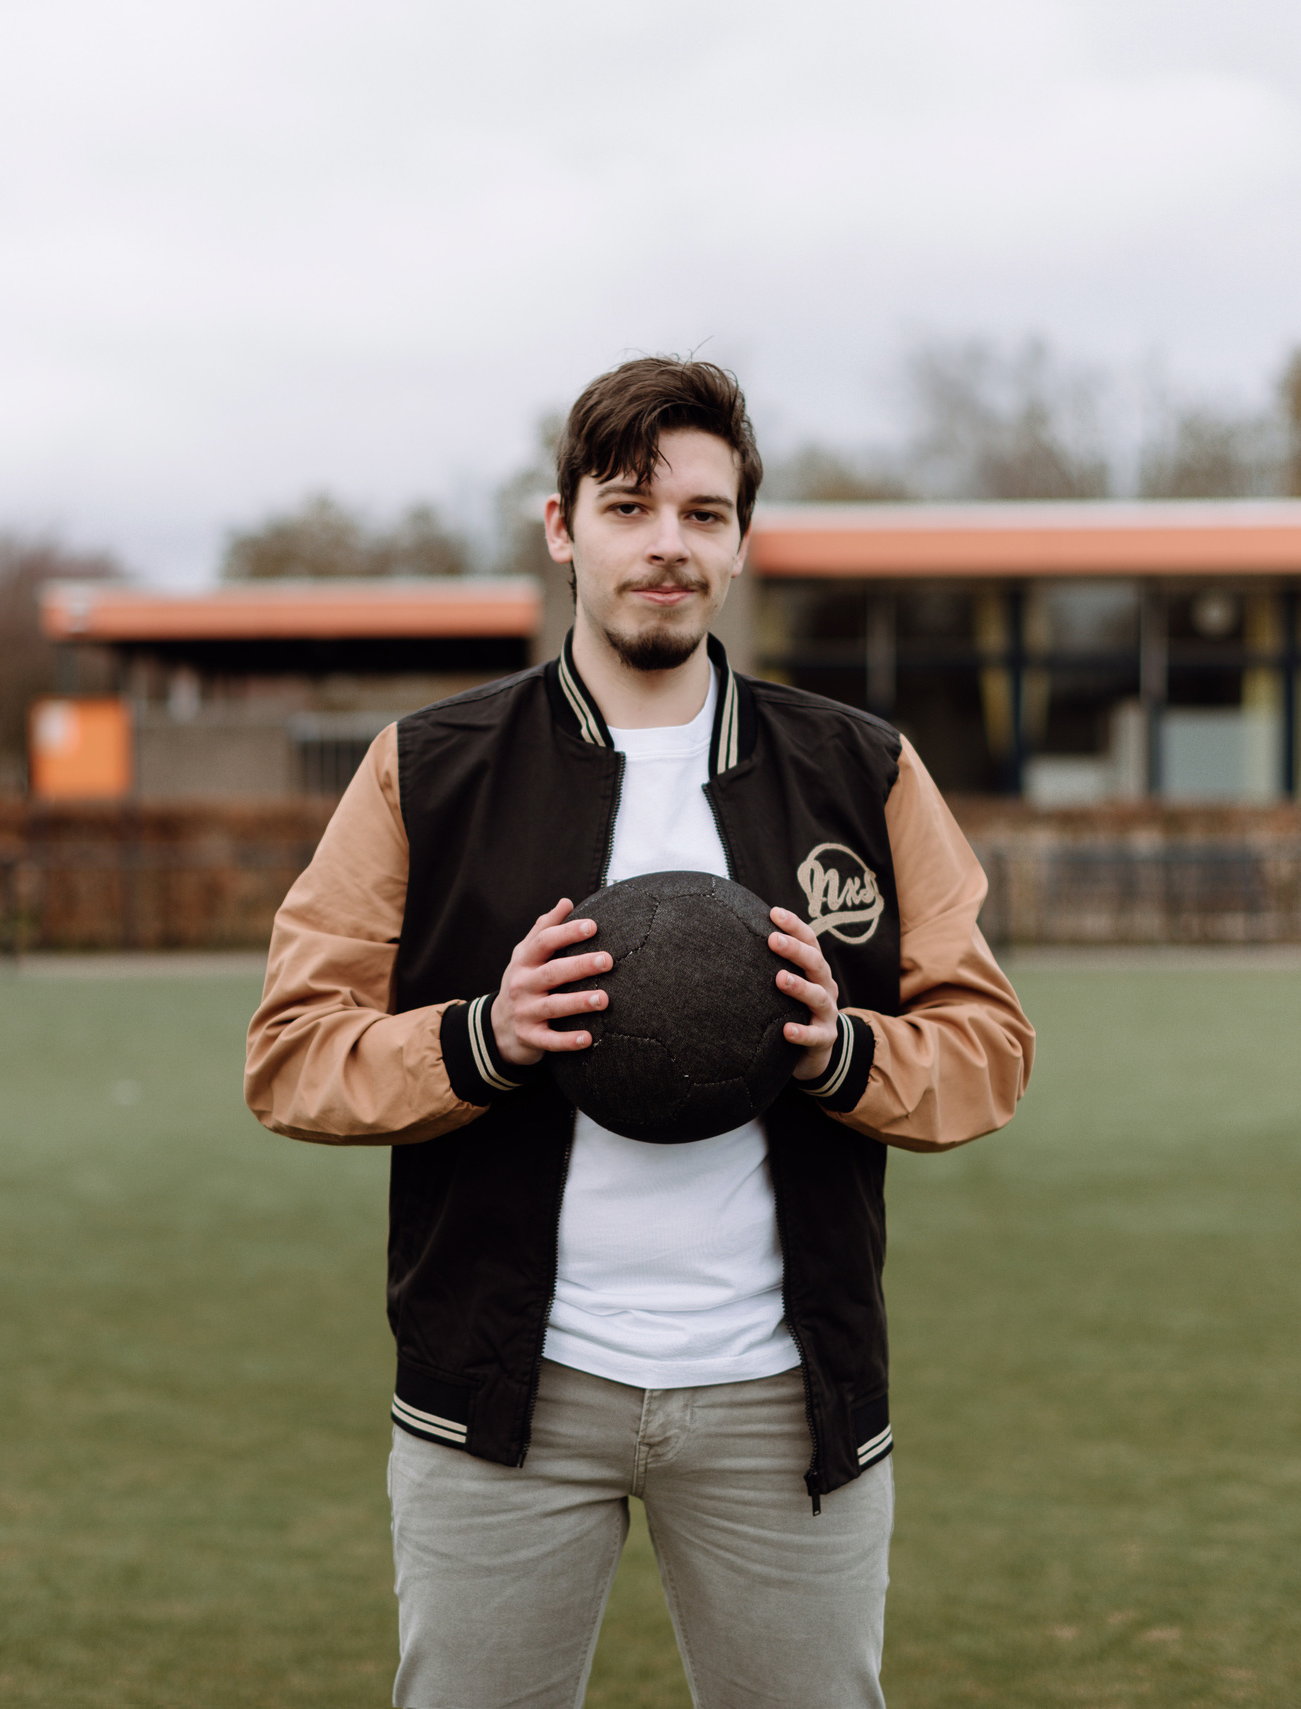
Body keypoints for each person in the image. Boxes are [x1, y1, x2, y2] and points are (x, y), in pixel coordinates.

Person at [245, 356, 1034, 1708]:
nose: (668, 544)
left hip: (782, 1397)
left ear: (739, 540)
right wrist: (481, 1037)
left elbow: (987, 1049)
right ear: (563, 529)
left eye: (705, 513)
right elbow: (292, 1049)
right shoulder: (429, 769)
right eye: (628, 507)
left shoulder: (861, 767)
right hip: (507, 1397)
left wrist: (840, 1050)